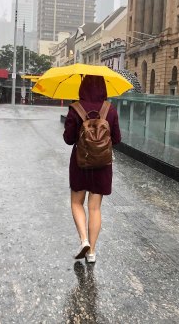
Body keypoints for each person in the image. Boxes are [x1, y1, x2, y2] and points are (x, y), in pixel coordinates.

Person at [63, 75, 121, 263]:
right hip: (102, 165)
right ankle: (92, 252)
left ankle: (84, 240)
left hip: (81, 163)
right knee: (95, 208)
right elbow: (118, 139)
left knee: (76, 203)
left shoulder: (75, 108)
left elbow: (68, 139)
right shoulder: (109, 109)